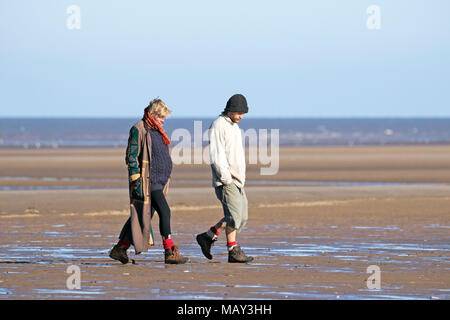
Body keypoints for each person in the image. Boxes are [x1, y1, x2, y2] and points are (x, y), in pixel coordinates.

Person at [109, 98, 188, 265]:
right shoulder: (139, 128)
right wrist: (136, 180)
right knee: (165, 211)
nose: (163, 120)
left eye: (164, 117)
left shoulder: (158, 130)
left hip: (160, 182)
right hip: (147, 183)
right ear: (152, 114)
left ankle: (120, 248)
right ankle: (169, 251)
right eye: (160, 116)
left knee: (140, 217)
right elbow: (131, 157)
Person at [196, 94, 254, 263]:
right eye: (239, 113)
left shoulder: (234, 126)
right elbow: (216, 154)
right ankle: (233, 251)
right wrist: (226, 178)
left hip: (238, 179)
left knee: (240, 217)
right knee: (234, 216)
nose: (241, 116)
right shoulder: (218, 125)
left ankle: (208, 236)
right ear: (230, 110)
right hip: (226, 179)